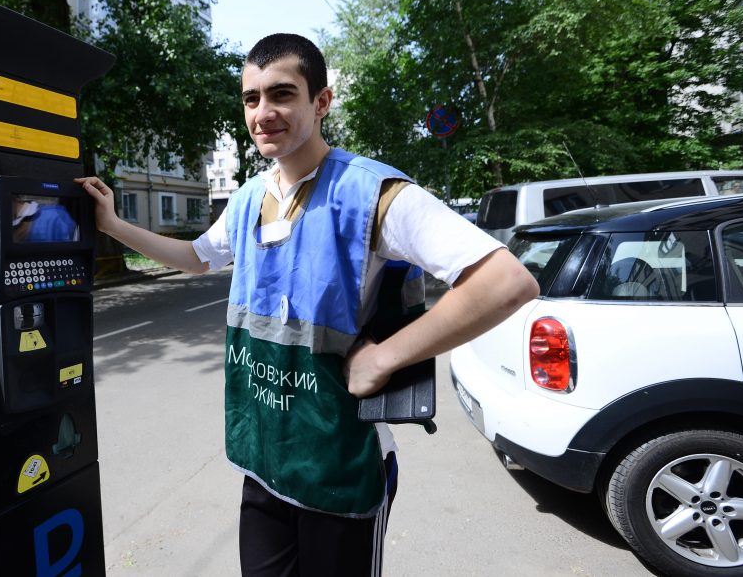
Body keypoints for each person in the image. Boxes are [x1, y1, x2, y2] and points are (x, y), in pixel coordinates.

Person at [76, 33, 539, 576]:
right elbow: (197, 258)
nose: (263, 113)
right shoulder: (249, 197)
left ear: (321, 102)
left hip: (338, 466)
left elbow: (506, 281)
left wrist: (384, 358)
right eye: (251, 99)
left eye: (281, 95)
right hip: (266, 460)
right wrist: (111, 224)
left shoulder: (374, 193)